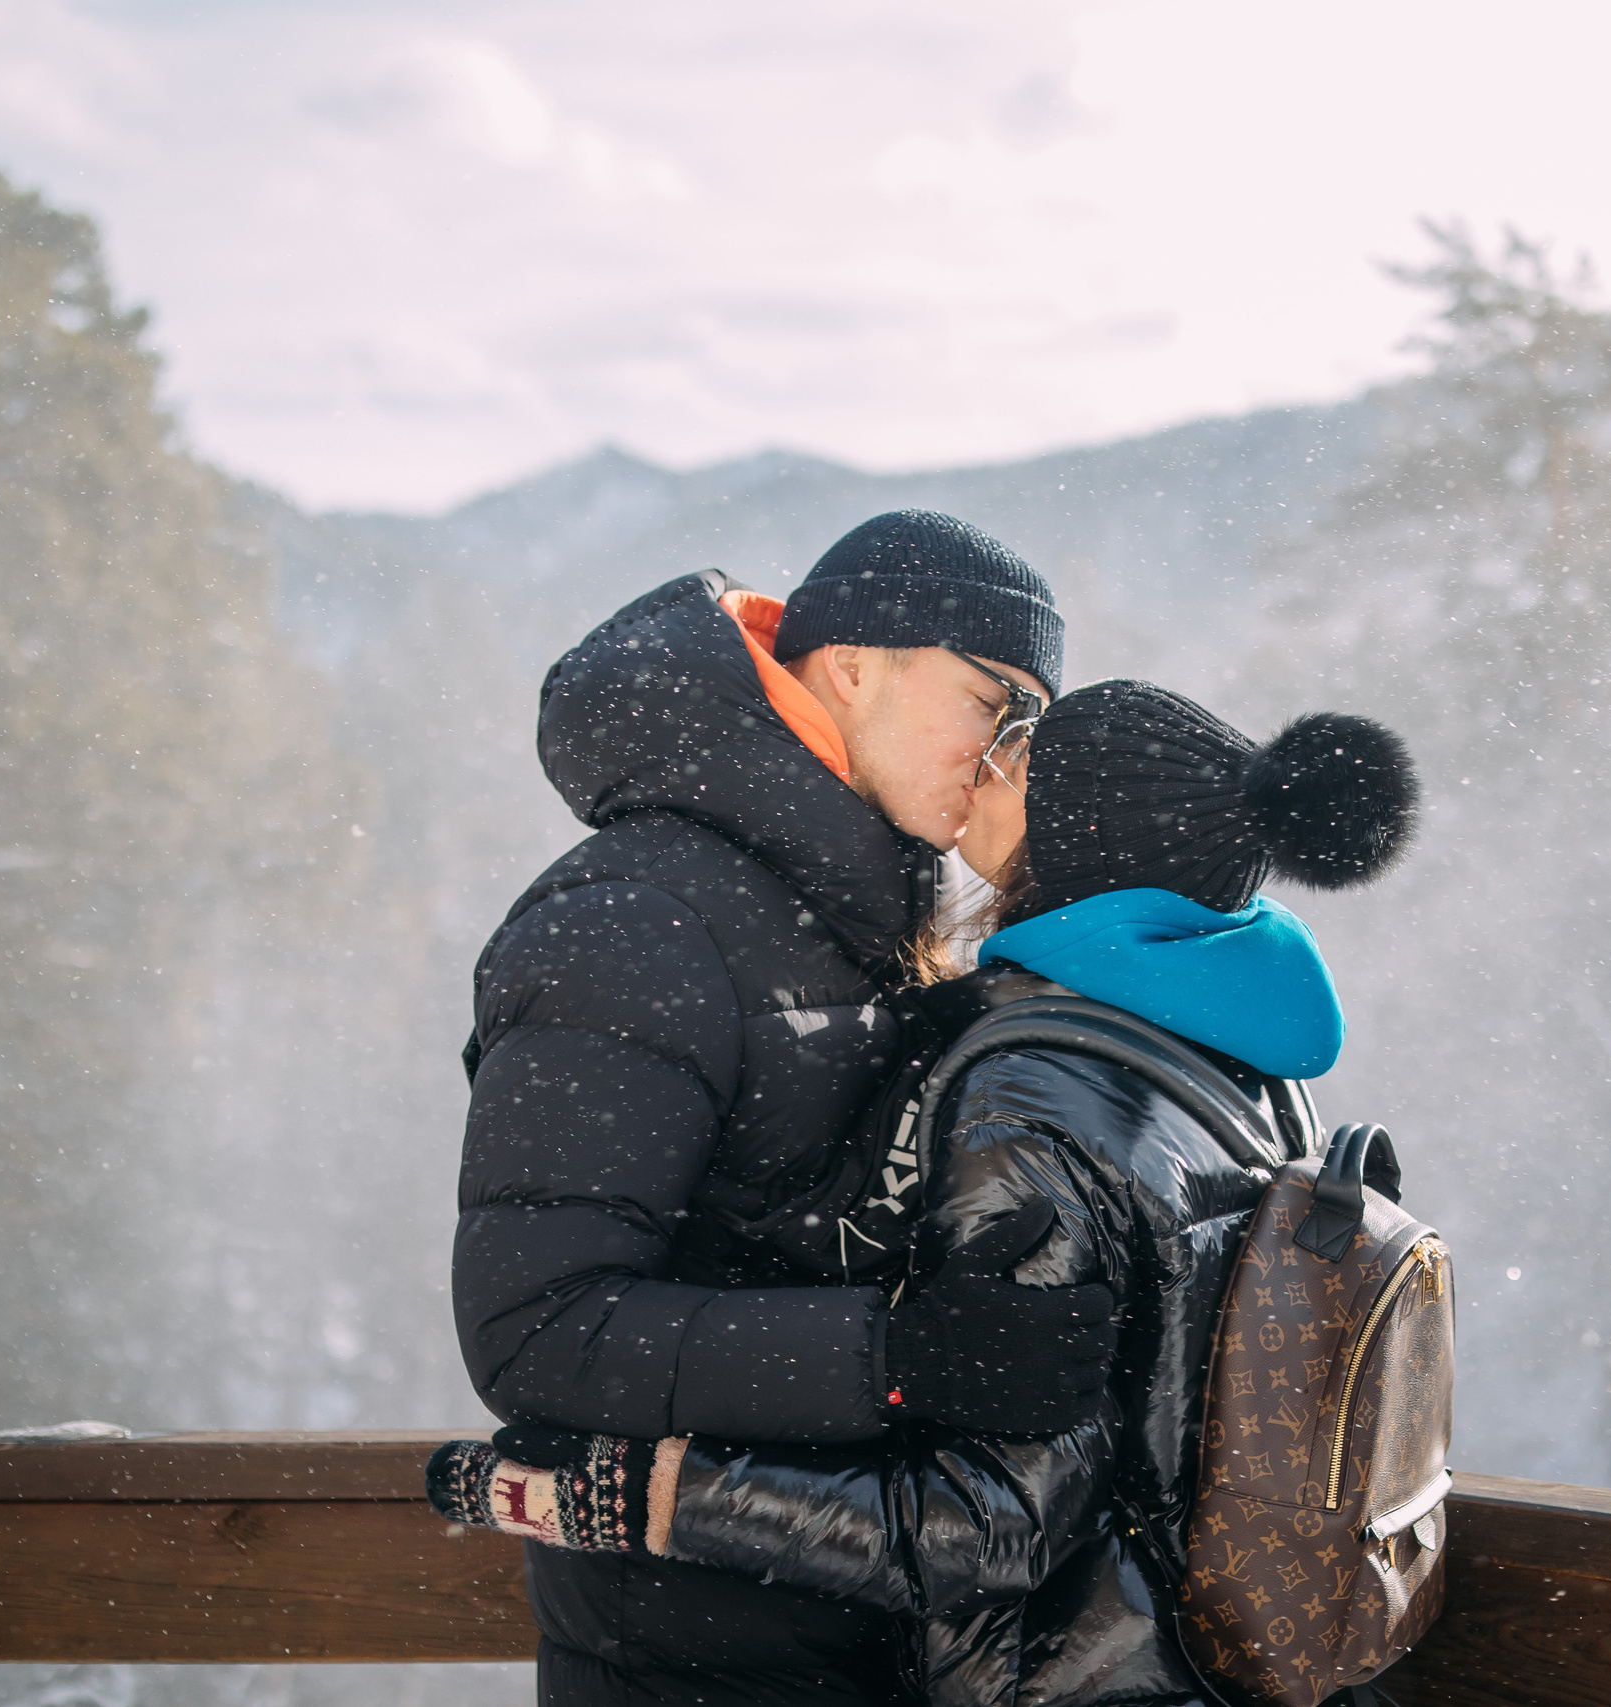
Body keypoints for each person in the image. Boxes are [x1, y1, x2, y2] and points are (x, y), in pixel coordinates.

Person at [438, 677, 1421, 1707]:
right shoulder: (1234, 1064)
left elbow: (983, 1527)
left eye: (1025, 749)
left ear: (1076, 836)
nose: (988, 760)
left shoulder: (1037, 1094)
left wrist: (639, 1500)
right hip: (1194, 1664)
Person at [454, 510, 1126, 1707]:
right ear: (855, 663)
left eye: (1032, 721)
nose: (1008, 750)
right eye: (993, 698)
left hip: (871, 1617)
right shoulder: (636, 919)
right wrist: (902, 1358)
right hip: (693, 1649)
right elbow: (536, 1331)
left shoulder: (865, 904)